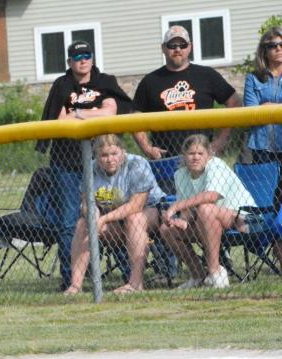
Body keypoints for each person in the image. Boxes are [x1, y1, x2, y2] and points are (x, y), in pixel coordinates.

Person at [37, 40, 131, 290]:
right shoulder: (62, 85)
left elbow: (111, 113)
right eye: (77, 57)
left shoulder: (105, 81)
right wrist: (94, 111)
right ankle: (71, 280)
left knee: (112, 216)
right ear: (69, 61)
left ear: (92, 57)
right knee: (69, 222)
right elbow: (57, 121)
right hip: (66, 163)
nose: (82, 60)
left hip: (103, 163)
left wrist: (77, 114)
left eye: (86, 55)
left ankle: (129, 276)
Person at [64, 134, 166, 295]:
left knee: (134, 219)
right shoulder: (91, 168)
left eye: (114, 154)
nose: (109, 159)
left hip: (150, 214)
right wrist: (93, 216)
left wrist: (103, 219)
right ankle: (75, 286)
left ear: (122, 152)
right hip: (113, 220)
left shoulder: (137, 164)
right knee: (83, 224)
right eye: (104, 155)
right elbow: (86, 202)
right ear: (96, 156)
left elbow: (136, 206)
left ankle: (135, 283)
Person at [159, 134, 255, 289]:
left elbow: (211, 196)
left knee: (206, 209)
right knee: (167, 229)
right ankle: (198, 275)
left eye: (200, 153)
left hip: (243, 217)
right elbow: (188, 209)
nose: (195, 157)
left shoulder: (216, 165)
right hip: (207, 222)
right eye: (191, 153)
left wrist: (175, 207)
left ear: (208, 155)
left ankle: (215, 271)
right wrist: (182, 220)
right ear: (184, 155)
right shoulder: (180, 174)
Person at [133, 26, 241, 163]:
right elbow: (135, 117)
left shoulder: (207, 75)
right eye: (172, 45)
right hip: (166, 161)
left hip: (202, 157)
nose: (177, 49)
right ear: (163, 48)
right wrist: (148, 149)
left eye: (182, 45)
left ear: (190, 47)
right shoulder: (150, 81)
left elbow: (234, 103)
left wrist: (220, 142)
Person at [243, 26, 282, 265]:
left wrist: (266, 106)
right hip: (261, 151)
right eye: (272, 45)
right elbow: (250, 111)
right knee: (269, 203)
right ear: (264, 50)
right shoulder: (254, 78)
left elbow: (260, 108)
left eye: (281, 44)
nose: (278, 49)